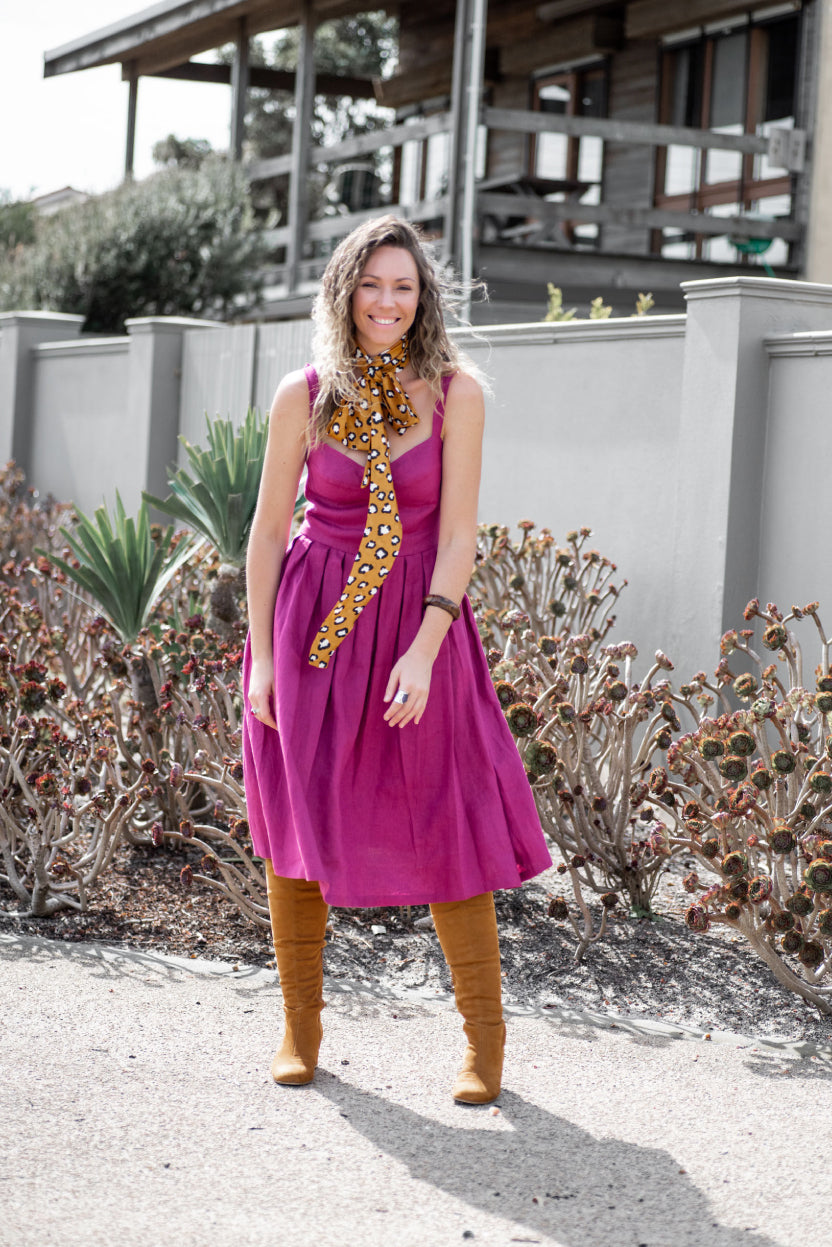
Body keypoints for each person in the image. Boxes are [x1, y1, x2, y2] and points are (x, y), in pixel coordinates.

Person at [242, 215, 551, 1104]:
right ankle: (300, 1027)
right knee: (300, 821)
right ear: (345, 293)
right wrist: (263, 659)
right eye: (372, 285)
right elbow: (268, 532)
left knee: (447, 816)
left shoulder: (458, 394)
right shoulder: (303, 395)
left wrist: (423, 648)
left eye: (403, 286)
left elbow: (457, 537)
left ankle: (484, 1042)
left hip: (422, 626)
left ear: (424, 298)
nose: (387, 302)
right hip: (313, 627)